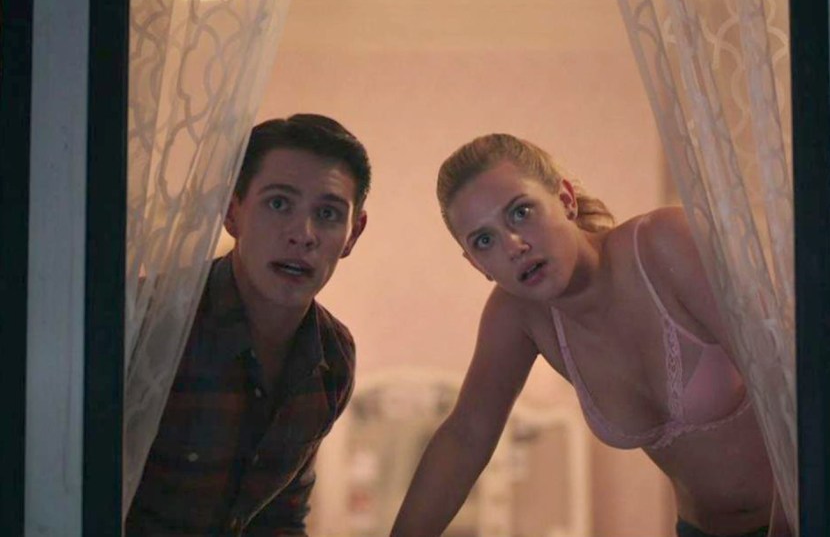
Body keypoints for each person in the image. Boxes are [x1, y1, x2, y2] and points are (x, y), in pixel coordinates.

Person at [390, 134, 789, 537]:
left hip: (803, 512)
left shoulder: (666, 242)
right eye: (484, 240)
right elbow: (466, 437)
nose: (514, 246)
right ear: (477, 264)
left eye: (521, 212)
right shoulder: (517, 315)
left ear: (565, 199)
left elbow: (785, 382)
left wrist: (790, 524)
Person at [126, 114, 370, 536]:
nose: (303, 234)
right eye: (278, 204)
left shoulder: (332, 356)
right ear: (231, 211)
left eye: (328, 213)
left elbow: (281, 516)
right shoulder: (153, 321)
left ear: (353, 234)